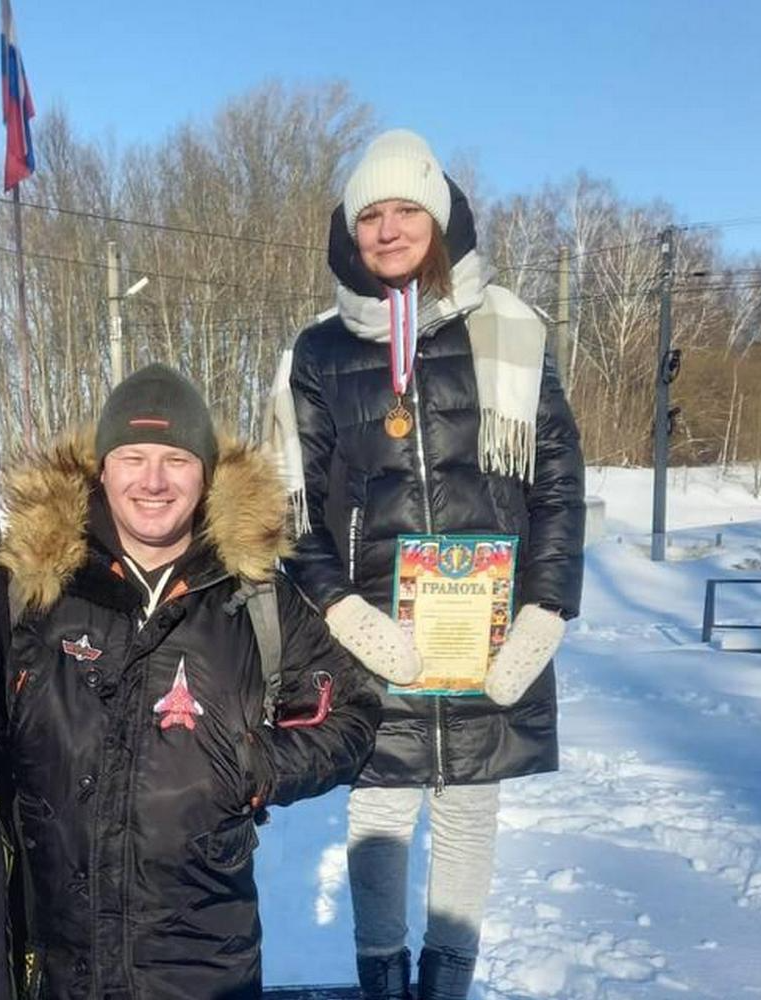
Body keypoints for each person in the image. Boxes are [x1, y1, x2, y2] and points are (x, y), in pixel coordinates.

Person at [0, 364, 381, 1000]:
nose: (153, 481)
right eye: (132, 456)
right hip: (54, 952)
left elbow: (354, 714)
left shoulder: (258, 596)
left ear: (206, 473)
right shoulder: (29, 587)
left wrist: (255, 765)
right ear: (103, 468)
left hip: (202, 959)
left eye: (176, 459)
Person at [268, 130, 585, 1000]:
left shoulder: (511, 331)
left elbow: (558, 483)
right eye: (370, 213)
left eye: (407, 208)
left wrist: (547, 607)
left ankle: (448, 985)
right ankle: (381, 983)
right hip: (380, 634)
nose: (389, 227)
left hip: (489, 630)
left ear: (440, 221)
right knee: (377, 807)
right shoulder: (319, 352)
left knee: (469, 805)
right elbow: (291, 509)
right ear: (348, 231)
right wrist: (339, 609)